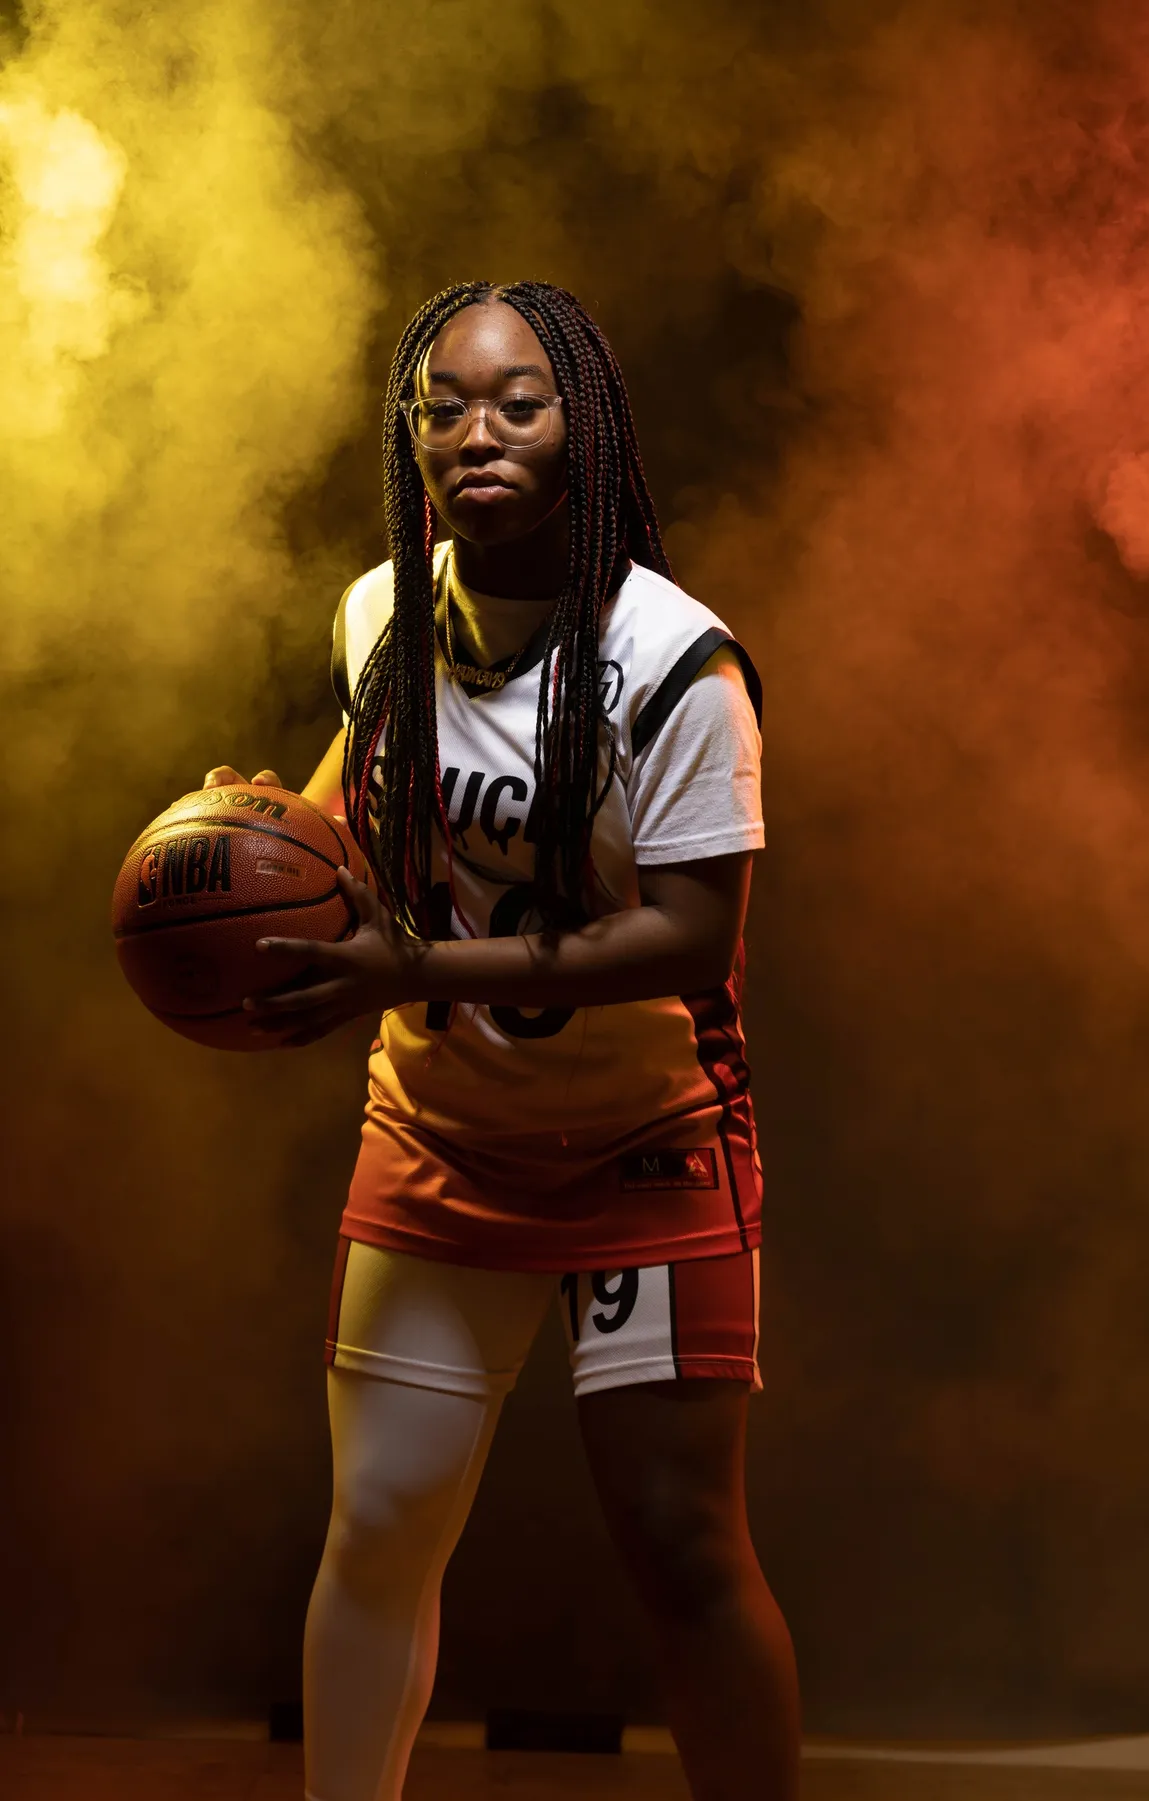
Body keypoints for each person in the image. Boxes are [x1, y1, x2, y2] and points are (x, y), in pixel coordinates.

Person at [204, 280, 800, 1801]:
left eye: (519, 403)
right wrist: (273, 832)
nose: (479, 434)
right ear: (409, 437)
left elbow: (689, 935)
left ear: (582, 426)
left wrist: (408, 961)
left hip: (643, 1142)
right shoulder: (380, 612)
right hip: (443, 1130)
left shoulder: (675, 666)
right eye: (444, 407)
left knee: (680, 1550)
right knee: (382, 1524)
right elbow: (371, 784)